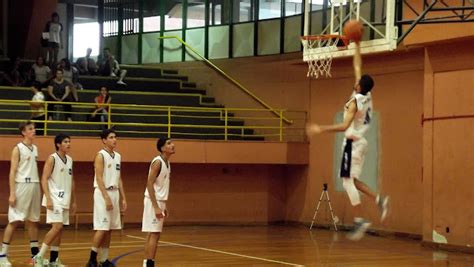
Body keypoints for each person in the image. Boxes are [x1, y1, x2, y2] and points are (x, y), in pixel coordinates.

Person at [306, 42, 389, 241]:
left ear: (360, 86)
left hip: (352, 143)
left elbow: (343, 127)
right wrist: (357, 44)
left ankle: (360, 219)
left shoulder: (355, 102)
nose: (357, 79)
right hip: (361, 142)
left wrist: (320, 128)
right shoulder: (366, 94)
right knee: (353, 181)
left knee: (346, 181)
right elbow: (357, 66)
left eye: (359, 80)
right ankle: (379, 199)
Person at [0, 121, 41, 267]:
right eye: (30, 129)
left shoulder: (35, 148)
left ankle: (35, 257)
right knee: (14, 221)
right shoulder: (17, 148)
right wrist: (12, 193)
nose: (33, 131)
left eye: (34, 128)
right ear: (23, 132)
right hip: (22, 185)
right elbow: (12, 172)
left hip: (35, 185)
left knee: (33, 221)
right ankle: (2, 255)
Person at [33, 134, 76, 267]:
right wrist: (49, 198)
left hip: (65, 199)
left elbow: (71, 181)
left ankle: (53, 259)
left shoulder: (69, 159)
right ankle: (38, 257)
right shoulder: (52, 159)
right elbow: (44, 178)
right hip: (54, 198)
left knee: (59, 229)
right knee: (57, 226)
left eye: (69, 141)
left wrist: (74, 200)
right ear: (58, 144)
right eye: (65, 142)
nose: (68, 144)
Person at [86, 129, 127, 267]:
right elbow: (98, 177)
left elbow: (119, 178)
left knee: (109, 228)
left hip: (115, 192)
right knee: (102, 227)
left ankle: (104, 259)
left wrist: (123, 198)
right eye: (111, 137)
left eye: (115, 137)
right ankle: (92, 259)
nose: (114, 139)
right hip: (102, 193)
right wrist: (106, 197)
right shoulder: (100, 155)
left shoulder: (118, 156)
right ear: (104, 140)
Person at [142, 138, 175, 267]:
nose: (172, 145)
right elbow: (149, 183)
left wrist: (164, 205)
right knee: (154, 234)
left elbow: (162, 187)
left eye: (172, 142)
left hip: (159, 201)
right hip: (152, 201)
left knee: (153, 234)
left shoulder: (167, 163)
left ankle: (147, 263)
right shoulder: (157, 162)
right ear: (162, 148)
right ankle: (149, 263)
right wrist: (156, 207)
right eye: (169, 143)